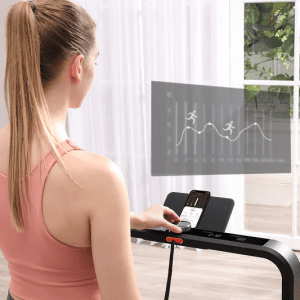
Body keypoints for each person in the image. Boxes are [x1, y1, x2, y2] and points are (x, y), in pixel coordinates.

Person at [0, 1, 182, 300]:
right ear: (78, 66)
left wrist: (129, 217)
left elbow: (39, 226)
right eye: (96, 60)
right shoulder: (97, 177)